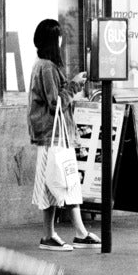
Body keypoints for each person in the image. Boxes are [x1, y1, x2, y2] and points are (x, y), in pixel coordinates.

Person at [27, 18, 101, 251]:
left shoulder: (41, 65)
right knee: (67, 182)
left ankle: (53, 235)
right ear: (53, 40)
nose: (61, 41)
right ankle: (77, 233)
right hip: (54, 135)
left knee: (53, 185)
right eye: (58, 36)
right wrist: (75, 84)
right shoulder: (47, 67)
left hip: (52, 135)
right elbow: (55, 102)